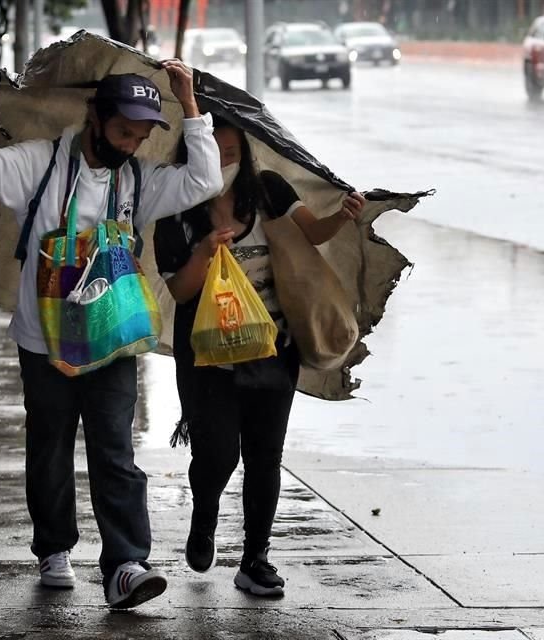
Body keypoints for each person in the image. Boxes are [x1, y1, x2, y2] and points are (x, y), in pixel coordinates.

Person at [0, 62, 222, 609]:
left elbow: (205, 180)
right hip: (43, 341)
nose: (132, 142)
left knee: (115, 450)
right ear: (95, 117)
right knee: (50, 446)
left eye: (142, 134)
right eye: (124, 130)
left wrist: (190, 105)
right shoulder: (42, 162)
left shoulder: (139, 179)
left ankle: (126, 563)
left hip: (112, 339)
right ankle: (53, 548)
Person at [153, 117, 365, 597]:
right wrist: (205, 252)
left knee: (265, 456)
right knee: (219, 452)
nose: (224, 162)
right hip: (209, 355)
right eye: (213, 154)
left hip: (275, 346)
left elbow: (313, 232)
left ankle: (256, 558)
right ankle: (204, 515)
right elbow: (182, 289)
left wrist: (343, 215)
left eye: (232, 153)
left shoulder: (267, 190)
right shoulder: (177, 212)